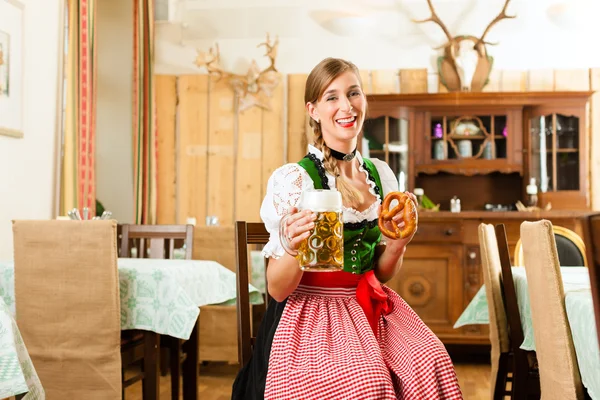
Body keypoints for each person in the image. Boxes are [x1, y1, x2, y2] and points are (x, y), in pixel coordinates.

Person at [232, 57, 463, 399]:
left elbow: (381, 274)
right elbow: (278, 290)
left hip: (369, 303)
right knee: (366, 382)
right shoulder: (295, 181)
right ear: (313, 110)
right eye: (332, 97)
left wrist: (399, 243)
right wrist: (294, 248)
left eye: (353, 93)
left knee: (431, 360)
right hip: (311, 311)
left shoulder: (381, 175)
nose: (346, 105)